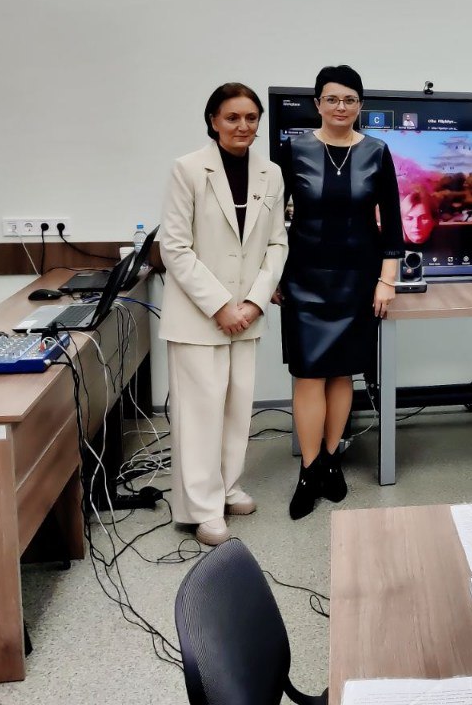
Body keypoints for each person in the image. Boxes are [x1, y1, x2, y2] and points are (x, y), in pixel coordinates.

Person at [159, 83, 288, 547]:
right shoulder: (189, 169)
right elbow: (175, 248)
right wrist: (219, 305)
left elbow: (277, 243)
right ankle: (201, 508)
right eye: (233, 117)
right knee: (200, 415)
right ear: (213, 121)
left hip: (246, 314)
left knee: (236, 410)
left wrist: (253, 302)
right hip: (200, 316)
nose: (243, 126)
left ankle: (227, 487)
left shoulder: (271, 173)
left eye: (251, 117)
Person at [279, 65, 403, 518]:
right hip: (303, 276)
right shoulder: (293, 151)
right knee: (308, 374)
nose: (341, 107)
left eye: (349, 100)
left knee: (342, 373)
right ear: (317, 104)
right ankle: (308, 470)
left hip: (358, 278)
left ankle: (331, 461)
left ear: (360, 105)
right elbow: (270, 223)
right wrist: (271, 278)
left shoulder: (376, 152)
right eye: (332, 99)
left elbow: (393, 224)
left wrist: (386, 281)